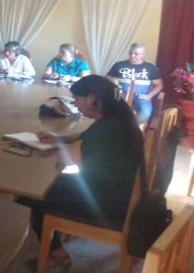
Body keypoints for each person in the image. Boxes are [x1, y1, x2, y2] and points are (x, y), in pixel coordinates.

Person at [17, 75, 145, 268]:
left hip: (108, 201)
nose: (75, 104)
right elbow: (84, 136)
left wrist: (60, 147)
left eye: (77, 99)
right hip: (118, 192)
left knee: (31, 195)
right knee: (47, 186)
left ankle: (56, 254)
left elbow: (65, 158)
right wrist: (59, 138)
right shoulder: (116, 118)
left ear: (91, 98)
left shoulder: (105, 128)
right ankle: (55, 248)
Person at [107, 43, 163, 124]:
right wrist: (113, 81)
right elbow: (107, 78)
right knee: (111, 110)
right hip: (121, 94)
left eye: (136, 54)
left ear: (143, 54)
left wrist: (149, 96)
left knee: (145, 112)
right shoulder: (119, 65)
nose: (132, 56)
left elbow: (159, 85)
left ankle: (129, 128)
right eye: (130, 53)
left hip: (140, 97)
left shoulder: (151, 68)